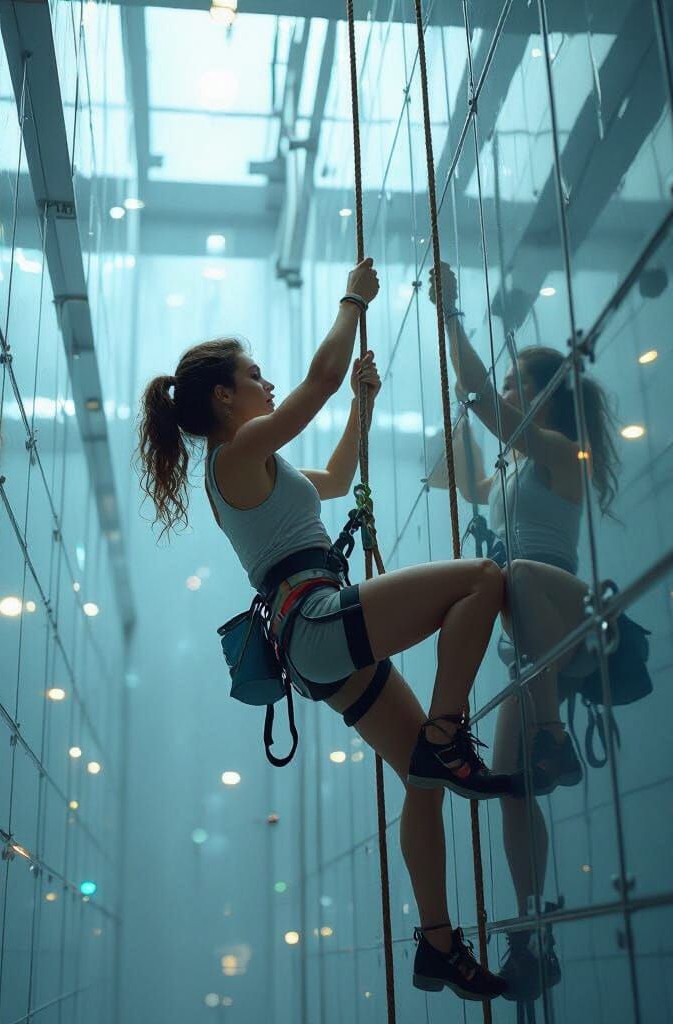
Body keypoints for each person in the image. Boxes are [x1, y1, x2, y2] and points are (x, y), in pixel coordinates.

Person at [139, 258, 516, 1002]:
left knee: (422, 783)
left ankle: (439, 946)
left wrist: (364, 406)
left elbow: (338, 478)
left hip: (315, 642)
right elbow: (312, 387)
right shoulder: (235, 456)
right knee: (481, 581)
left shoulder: (256, 468)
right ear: (224, 396)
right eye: (253, 376)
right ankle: (447, 730)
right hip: (315, 621)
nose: (267, 384)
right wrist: (352, 300)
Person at [427, 262, 621, 1001]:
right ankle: (531, 929)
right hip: (532, 646)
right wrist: (458, 466)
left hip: (563, 611)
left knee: (517, 579)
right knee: (510, 788)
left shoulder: (562, 456)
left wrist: (451, 319)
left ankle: (554, 738)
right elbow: (482, 477)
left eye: (516, 384)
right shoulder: (522, 467)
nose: (506, 392)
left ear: (543, 399)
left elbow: (484, 406)